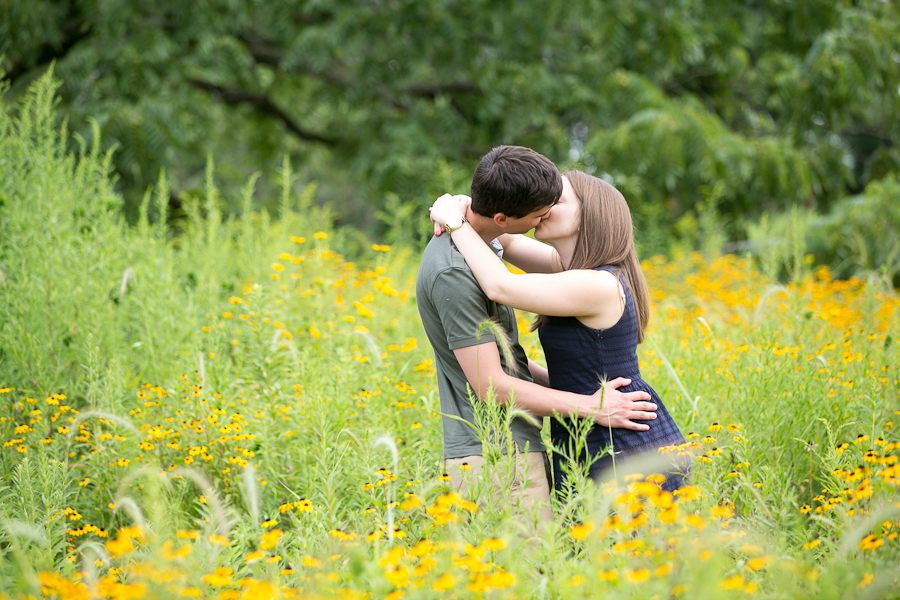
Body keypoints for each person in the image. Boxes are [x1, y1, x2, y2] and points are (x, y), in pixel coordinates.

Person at [415, 146, 660, 529]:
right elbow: (501, 238)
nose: (545, 208)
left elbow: (500, 282)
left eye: (557, 200)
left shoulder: (594, 282)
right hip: (574, 428)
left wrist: (459, 221)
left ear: (588, 218)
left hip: (614, 432)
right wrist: (460, 208)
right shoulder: (561, 267)